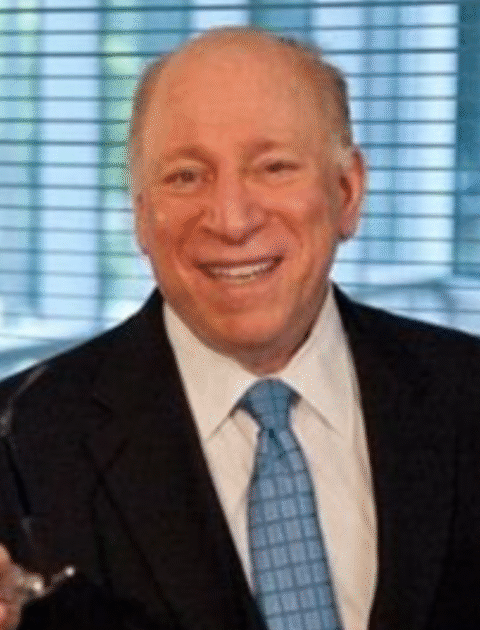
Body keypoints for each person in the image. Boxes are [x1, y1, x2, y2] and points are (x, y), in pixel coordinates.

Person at [0, 25, 479, 630]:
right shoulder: (18, 447)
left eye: (274, 167)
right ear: (141, 213)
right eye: (185, 176)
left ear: (348, 192)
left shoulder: (468, 392)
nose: (231, 220)